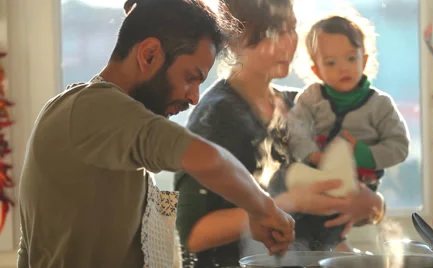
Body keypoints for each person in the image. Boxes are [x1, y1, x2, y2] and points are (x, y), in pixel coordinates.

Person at [16, 1, 296, 267]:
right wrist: (265, 210)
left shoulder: (111, 120)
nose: (195, 98)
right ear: (149, 54)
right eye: (190, 78)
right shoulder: (91, 108)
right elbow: (206, 158)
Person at [174, 1, 387, 267]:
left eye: (292, 30)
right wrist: (286, 204)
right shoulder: (216, 117)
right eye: (273, 35)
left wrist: (372, 205)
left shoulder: (300, 105)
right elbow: (192, 235)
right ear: (234, 40)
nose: (287, 44)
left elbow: (349, 197)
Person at [287, 14, 410, 251]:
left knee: (332, 211)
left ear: (364, 61)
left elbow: (399, 145)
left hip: (359, 179)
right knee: (297, 192)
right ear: (317, 70)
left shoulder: (380, 104)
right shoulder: (311, 98)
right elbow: (295, 128)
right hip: (319, 171)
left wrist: (361, 154)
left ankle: (336, 245)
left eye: (351, 58)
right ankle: (322, 248)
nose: (343, 67)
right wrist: (312, 154)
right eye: (331, 63)